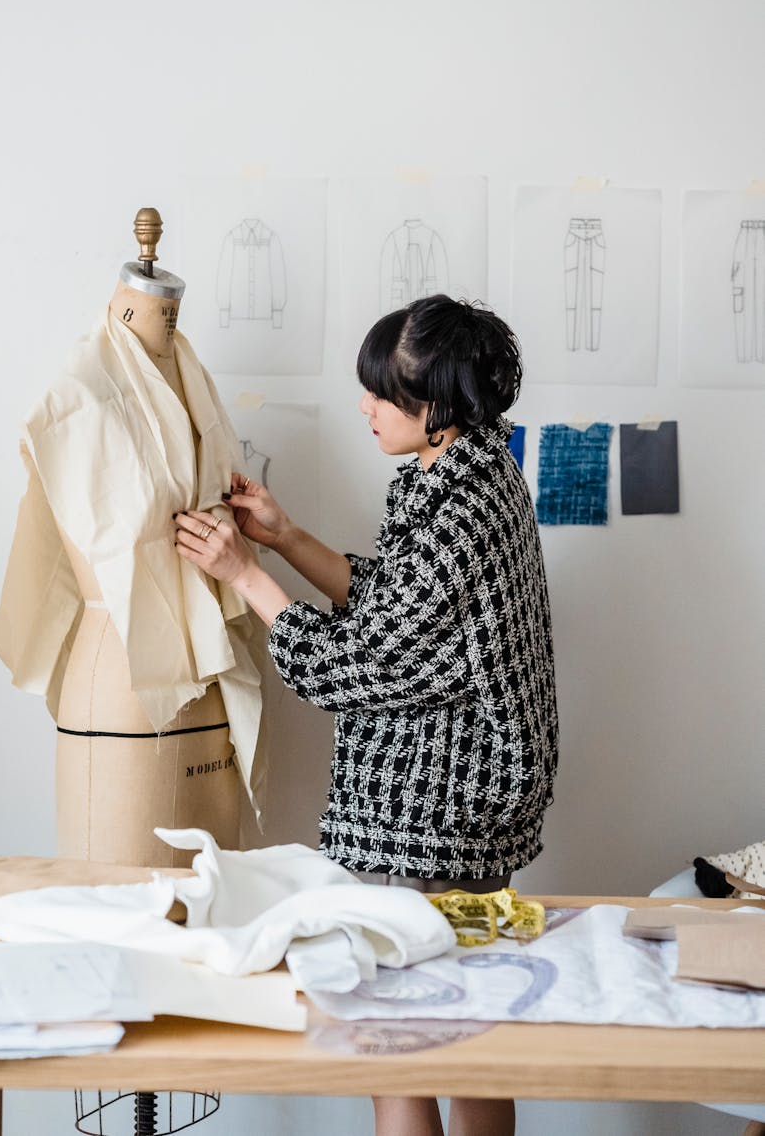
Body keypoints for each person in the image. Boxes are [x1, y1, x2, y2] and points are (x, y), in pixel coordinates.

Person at [175, 294, 558, 1136]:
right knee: (472, 1042)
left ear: (440, 404)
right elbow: (397, 608)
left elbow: (360, 664)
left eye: (385, 393)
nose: (365, 406)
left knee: (399, 1050)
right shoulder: (470, 475)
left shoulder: (460, 511)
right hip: (464, 809)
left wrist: (246, 575)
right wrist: (286, 537)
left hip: (432, 816)